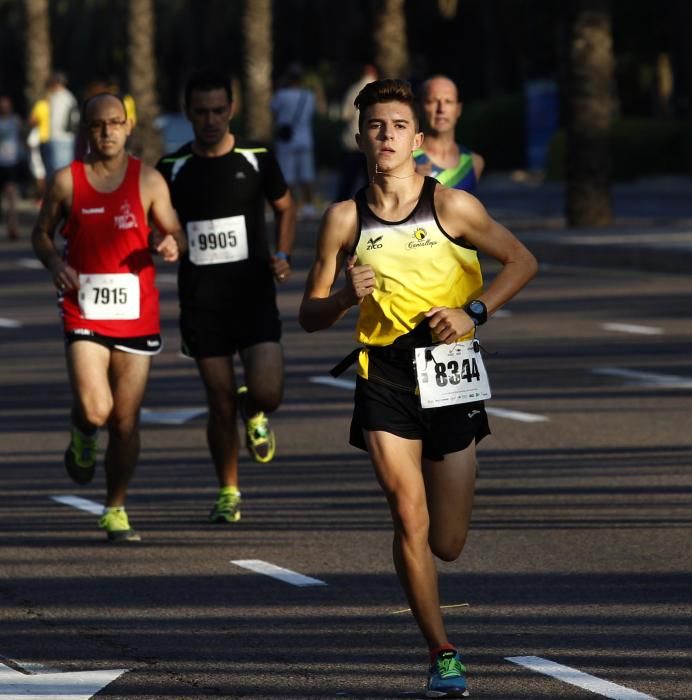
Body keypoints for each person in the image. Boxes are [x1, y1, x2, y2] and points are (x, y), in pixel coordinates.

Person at [299, 79, 537, 697]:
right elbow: (308, 313)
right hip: (385, 375)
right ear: (359, 138)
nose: (386, 136)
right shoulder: (344, 219)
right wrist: (345, 296)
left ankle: (430, 578)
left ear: (418, 139)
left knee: (447, 541)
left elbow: (522, 261)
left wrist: (474, 314)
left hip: (451, 369)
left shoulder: (452, 206)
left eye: (398, 126)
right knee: (409, 515)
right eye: (375, 126)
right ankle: (443, 652)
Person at [31, 93, 185, 542]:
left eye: (115, 123)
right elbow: (42, 234)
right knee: (98, 409)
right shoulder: (66, 181)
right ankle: (82, 429)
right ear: (86, 130)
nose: (107, 132)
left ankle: (115, 506)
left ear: (128, 126)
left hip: (137, 314)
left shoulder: (149, 181)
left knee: (125, 421)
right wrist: (56, 265)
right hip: (83, 308)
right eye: (99, 125)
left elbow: (173, 230)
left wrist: (172, 243)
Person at [157, 69, 296, 525]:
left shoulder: (257, 157)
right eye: (201, 112)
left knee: (268, 392)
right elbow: (158, 223)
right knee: (217, 402)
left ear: (231, 108)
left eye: (219, 110)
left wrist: (281, 252)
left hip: (254, 297)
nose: (211, 120)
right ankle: (228, 491)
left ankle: (253, 410)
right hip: (202, 303)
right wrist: (166, 240)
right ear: (188, 114)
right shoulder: (172, 168)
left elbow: (285, 206)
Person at [414, 75, 484, 193]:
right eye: (432, 101)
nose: (441, 109)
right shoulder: (406, 159)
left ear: (458, 109)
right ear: (419, 108)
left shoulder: (474, 162)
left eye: (448, 101)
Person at [270, 64, 317, 218]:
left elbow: (274, 113)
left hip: (286, 141)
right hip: (305, 139)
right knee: (307, 175)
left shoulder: (281, 95)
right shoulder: (308, 95)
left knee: (287, 177)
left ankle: (290, 207)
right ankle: (309, 208)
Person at [334, 64, 378, 202]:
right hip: (373, 143)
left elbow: (345, 114)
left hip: (354, 142)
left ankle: (340, 206)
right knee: (372, 181)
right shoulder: (380, 89)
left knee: (348, 181)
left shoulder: (354, 89)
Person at [29, 72, 79, 179]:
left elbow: (57, 122)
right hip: (62, 139)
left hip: (60, 139)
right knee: (56, 171)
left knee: (59, 172)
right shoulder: (67, 97)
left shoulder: (60, 97)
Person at [0, 95, 23, 240]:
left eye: (6, 105)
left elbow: (24, 136)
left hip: (11, 163)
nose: (4, 107)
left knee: (11, 196)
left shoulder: (16, 121)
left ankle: (12, 227)